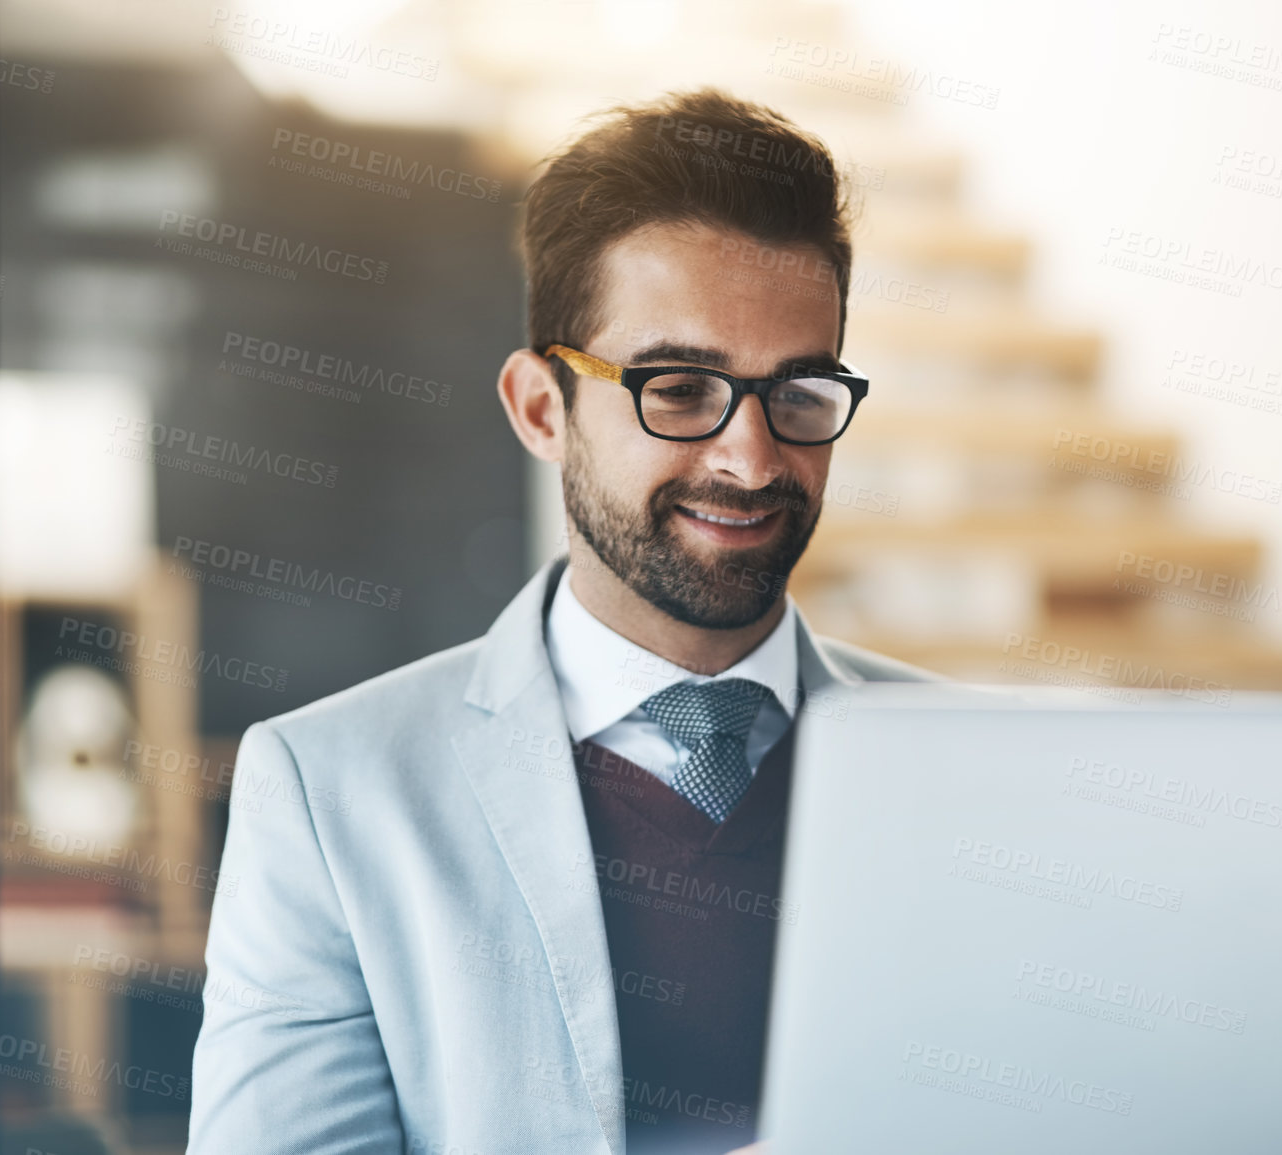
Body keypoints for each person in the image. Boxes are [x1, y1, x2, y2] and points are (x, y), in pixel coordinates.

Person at [188, 87, 944, 1155]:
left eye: (801, 393)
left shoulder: (968, 769)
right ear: (542, 408)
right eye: (680, 389)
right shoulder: (333, 793)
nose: (752, 457)